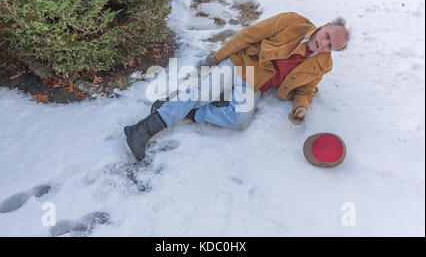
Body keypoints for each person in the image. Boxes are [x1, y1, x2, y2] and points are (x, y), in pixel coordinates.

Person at [124, 12, 350, 161]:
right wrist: (217, 57)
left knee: (238, 120)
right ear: (325, 25)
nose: (323, 43)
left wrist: (301, 107)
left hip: (255, 85)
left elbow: (307, 89)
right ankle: (141, 130)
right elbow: (250, 34)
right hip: (241, 63)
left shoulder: (322, 64)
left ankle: (183, 110)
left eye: (330, 45)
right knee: (201, 93)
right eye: (327, 35)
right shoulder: (292, 21)